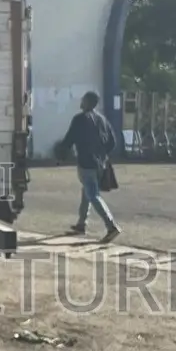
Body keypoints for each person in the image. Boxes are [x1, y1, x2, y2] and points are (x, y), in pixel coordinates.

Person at [59, 90, 123, 242]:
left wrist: (61, 154)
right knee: (86, 191)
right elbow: (112, 142)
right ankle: (81, 224)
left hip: (86, 162)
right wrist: (102, 155)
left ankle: (111, 226)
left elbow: (69, 139)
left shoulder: (80, 119)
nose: (81, 101)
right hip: (100, 163)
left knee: (93, 195)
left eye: (83, 99)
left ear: (87, 102)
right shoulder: (102, 119)